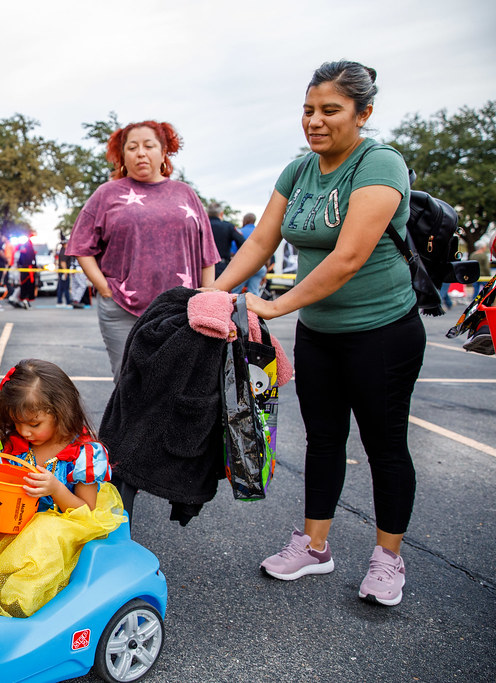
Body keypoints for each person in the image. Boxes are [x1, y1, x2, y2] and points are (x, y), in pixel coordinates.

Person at [212, 60, 424, 607]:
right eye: (308, 110)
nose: (315, 120)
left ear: (363, 113)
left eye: (330, 110)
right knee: (325, 440)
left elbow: (350, 255)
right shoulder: (298, 171)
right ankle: (314, 546)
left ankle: (387, 558)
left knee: (384, 446)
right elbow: (260, 241)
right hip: (322, 333)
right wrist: (210, 292)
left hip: (382, 332)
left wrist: (276, 305)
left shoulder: (380, 164)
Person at [0, 359, 125, 617]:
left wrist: (56, 489)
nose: (24, 431)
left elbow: (87, 512)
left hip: (56, 531)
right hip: (13, 517)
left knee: (42, 533)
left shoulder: (84, 454)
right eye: (17, 423)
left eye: (34, 424)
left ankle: (13, 606)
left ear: (62, 411)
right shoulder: (16, 443)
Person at [66, 120, 219, 381]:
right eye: (132, 147)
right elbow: (81, 246)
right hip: (122, 309)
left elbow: (207, 253)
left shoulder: (185, 193)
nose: (141, 153)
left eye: (149, 145)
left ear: (163, 152)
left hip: (181, 310)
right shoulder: (106, 194)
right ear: (123, 155)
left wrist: (208, 298)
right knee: (130, 384)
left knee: (179, 384)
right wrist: (104, 287)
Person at [232, 212, 269, 296]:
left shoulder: (239, 232)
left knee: (235, 292)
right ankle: (253, 309)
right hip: (259, 266)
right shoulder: (262, 233)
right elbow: (267, 254)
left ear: (244, 221)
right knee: (254, 293)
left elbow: (233, 253)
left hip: (242, 266)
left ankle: (232, 308)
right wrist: (265, 270)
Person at [208, 202, 245, 277]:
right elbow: (242, 242)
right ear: (221, 214)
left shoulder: (200, 225)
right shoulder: (228, 226)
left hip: (202, 267)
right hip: (221, 266)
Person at [8, 238, 37, 309]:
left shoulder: (22, 252)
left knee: (21, 286)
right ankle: (17, 298)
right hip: (22, 271)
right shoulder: (24, 252)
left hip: (22, 271)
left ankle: (18, 299)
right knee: (21, 286)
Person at [55, 239, 71, 308]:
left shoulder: (62, 251)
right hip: (64, 272)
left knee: (61, 288)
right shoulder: (64, 251)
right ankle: (68, 302)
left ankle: (59, 301)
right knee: (65, 288)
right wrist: (65, 273)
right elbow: (63, 262)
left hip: (62, 271)